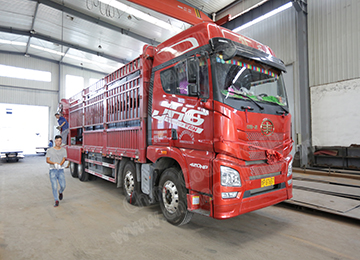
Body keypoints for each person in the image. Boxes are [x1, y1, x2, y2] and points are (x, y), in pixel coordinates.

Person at [46, 135, 67, 207]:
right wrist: (54, 163)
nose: (59, 142)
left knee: (63, 185)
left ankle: (60, 191)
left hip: (60, 170)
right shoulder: (50, 150)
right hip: (53, 171)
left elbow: (64, 158)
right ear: (55, 141)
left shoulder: (64, 150)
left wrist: (59, 165)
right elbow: (47, 160)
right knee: (54, 186)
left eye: (60, 141)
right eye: (57, 141)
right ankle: (56, 200)